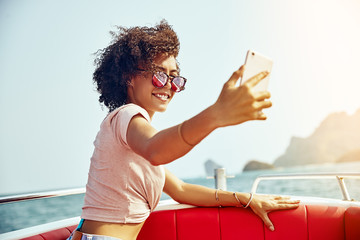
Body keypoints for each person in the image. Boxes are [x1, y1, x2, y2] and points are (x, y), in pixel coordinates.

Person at [67, 20, 300, 240]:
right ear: (129, 77)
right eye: (159, 75)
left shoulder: (135, 138)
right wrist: (215, 115)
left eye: (175, 78)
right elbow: (156, 149)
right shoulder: (126, 115)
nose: (168, 85)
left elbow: (181, 189)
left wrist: (247, 200)